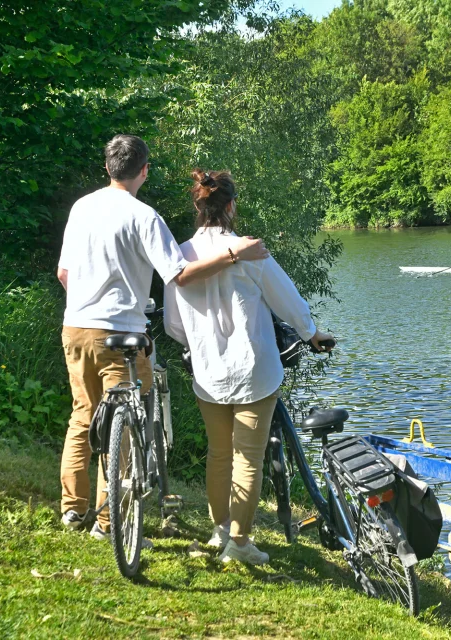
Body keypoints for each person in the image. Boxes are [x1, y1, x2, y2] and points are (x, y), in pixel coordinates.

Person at [57, 135, 269, 542]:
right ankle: (108, 523)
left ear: (107, 168)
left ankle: (72, 509)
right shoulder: (144, 217)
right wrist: (232, 255)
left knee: (83, 416)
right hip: (121, 334)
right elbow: (180, 275)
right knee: (124, 423)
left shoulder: (81, 208)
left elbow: (64, 274)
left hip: (75, 326)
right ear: (144, 171)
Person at [164, 169, 333, 565]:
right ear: (232, 206)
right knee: (247, 457)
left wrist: (201, 343)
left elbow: (174, 324)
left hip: (208, 370)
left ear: (197, 205)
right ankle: (239, 545)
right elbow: (287, 301)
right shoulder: (250, 250)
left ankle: (220, 529)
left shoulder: (181, 254)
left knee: (219, 454)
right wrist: (312, 333)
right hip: (254, 368)